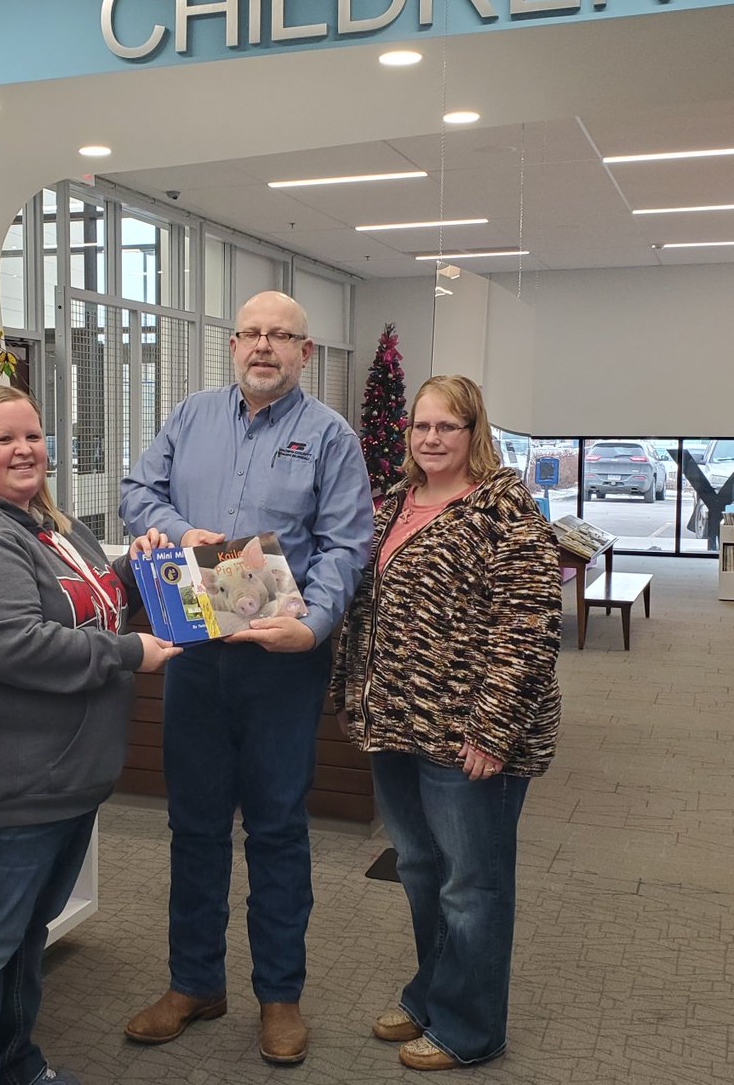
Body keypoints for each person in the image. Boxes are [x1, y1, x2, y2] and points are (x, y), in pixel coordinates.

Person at [0, 384, 181, 1085]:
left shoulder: (45, 524)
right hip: (2, 788)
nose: (25, 450)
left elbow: (84, 602)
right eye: (4, 439)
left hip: (57, 782)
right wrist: (129, 655)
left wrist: (139, 568)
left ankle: (14, 1066)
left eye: (33, 436)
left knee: (20, 942)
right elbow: (18, 644)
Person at [119, 290, 373, 1065]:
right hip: (194, 656)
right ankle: (194, 983)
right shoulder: (190, 416)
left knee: (275, 831)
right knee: (192, 827)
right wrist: (172, 526)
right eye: (253, 334)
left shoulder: (329, 437)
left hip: (278, 665)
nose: (264, 347)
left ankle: (278, 997)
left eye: (281, 337)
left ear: (304, 352)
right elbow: (137, 493)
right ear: (233, 344)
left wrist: (314, 623)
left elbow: (345, 544)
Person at [331, 374, 562, 1071]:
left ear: (473, 434)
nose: (430, 439)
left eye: (446, 428)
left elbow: (527, 629)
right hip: (395, 723)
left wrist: (491, 731)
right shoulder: (392, 505)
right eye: (420, 426)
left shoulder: (504, 512)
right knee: (420, 868)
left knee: (472, 883)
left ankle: (470, 1026)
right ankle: (431, 990)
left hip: (467, 735)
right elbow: (362, 607)